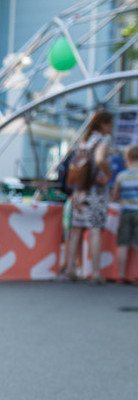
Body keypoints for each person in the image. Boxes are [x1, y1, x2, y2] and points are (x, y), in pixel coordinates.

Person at [61, 110, 114, 284]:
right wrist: (107, 174)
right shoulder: (103, 141)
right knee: (95, 230)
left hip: (80, 190)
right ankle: (96, 273)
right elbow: (100, 160)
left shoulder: (84, 141)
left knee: (76, 230)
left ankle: (70, 270)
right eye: (110, 124)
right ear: (104, 124)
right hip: (96, 191)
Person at [110, 144, 138, 284]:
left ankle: (121, 274)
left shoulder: (122, 176)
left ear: (127, 158)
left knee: (123, 244)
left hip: (126, 211)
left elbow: (115, 196)